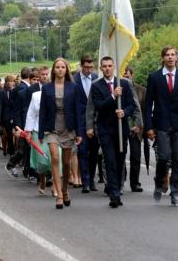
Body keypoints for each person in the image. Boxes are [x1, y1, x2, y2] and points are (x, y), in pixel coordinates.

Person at [145, 46, 178, 207]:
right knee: (164, 156)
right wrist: (149, 127)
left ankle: (175, 193)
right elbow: (148, 104)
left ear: (176, 58)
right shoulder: (154, 77)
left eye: (173, 55)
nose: (170, 58)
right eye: (167, 55)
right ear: (163, 58)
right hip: (161, 123)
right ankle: (159, 182)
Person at [91, 56, 136, 208]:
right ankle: (114, 195)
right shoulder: (96, 86)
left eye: (110, 65)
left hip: (121, 128)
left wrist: (124, 112)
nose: (107, 68)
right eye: (104, 66)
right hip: (105, 129)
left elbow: (131, 104)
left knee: (119, 160)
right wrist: (113, 96)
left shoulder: (123, 83)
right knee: (109, 160)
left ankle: (116, 186)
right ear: (101, 68)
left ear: (114, 67)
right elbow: (99, 106)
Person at [39, 58, 82, 209]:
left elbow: (78, 110)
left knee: (66, 162)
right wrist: (40, 132)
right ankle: (57, 194)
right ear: (53, 69)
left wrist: (79, 132)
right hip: (52, 127)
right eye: (57, 67)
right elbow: (43, 111)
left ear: (66, 69)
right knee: (55, 158)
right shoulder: (47, 88)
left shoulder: (73, 87)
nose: (60, 69)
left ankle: (64, 191)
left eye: (63, 67)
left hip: (68, 127)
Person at [73, 55, 99, 193]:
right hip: (80, 121)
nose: (89, 70)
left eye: (91, 67)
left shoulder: (96, 78)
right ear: (81, 66)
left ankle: (92, 179)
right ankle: (85, 181)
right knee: (83, 152)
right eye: (86, 67)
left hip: (94, 121)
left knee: (94, 152)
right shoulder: (74, 80)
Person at [123, 66, 145, 193]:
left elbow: (143, 110)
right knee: (121, 154)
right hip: (123, 126)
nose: (126, 78)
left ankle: (135, 182)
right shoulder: (118, 88)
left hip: (136, 129)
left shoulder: (141, 90)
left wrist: (141, 126)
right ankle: (122, 179)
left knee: (136, 157)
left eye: (127, 76)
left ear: (132, 75)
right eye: (123, 76)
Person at [0, 75, 16, 156]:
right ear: (5, 83)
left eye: (11, 81)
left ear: (13, 83)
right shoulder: (1, 92)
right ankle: (11, 152)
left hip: (15, 117)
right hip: (5, 118)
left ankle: (14, 151)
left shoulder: (16, 92)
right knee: (9, 135)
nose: (9, 83)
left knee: (16, 135)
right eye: (8, 81)